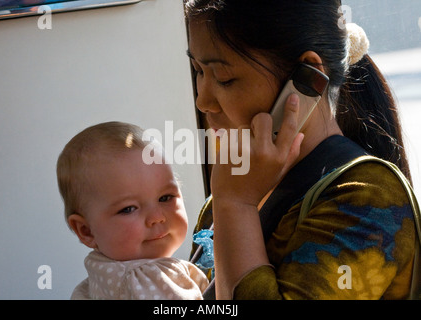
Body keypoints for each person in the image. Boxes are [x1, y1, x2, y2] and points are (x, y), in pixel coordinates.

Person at [185, 0, 420, 299]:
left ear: (307, 77)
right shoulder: (228, 194)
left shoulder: (367, 196)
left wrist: (235, 205)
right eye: (198, 71)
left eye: (224, 78)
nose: (203, 101)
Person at [56, 121, 208, 300]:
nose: (156, 218)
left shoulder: (102, 275)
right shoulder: (145, 279)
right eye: (128, 209)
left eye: (165, 198)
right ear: (86, 230)